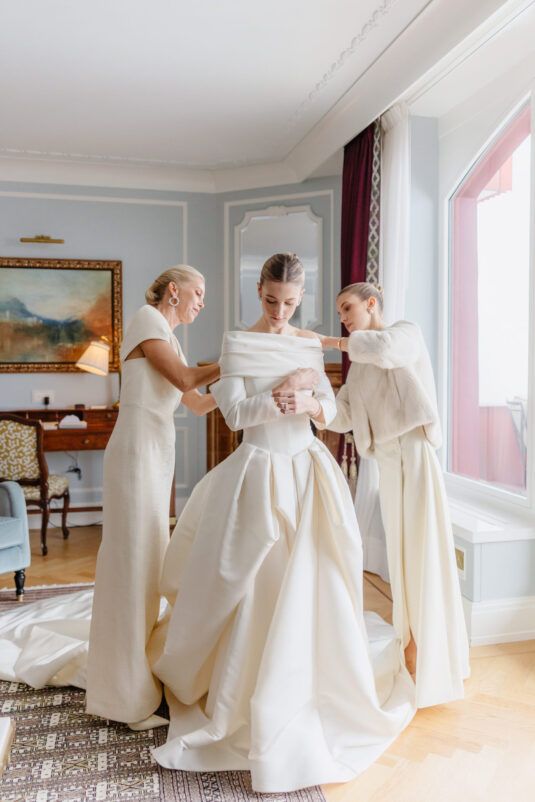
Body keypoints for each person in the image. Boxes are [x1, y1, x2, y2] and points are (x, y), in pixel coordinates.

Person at [150, 254, 415, 792]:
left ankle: (309, 685)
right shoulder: (235, 341)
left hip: (307, 469)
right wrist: (282, 396)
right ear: (258, 290)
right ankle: (239, 689)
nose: (279, 312)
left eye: (289, 303)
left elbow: (332, 411)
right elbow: (235, 416)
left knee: (317, 580)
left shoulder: (307, 342)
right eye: (271, 300)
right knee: (250, 581)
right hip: (259, 470)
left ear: (301, 298)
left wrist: (311, 400)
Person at [317, 281, 470, 708]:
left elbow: (383, 350)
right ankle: (412, 644)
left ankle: (431, 655)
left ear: (371, 303)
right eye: (340, 312)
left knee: (423, 553)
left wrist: (331, 341)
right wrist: (313, 396)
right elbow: (342, 415)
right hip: (385, 461)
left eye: (347, 307)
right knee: (402, 558)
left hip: (415, 453)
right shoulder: (359, 363)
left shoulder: (404, 333)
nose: (344, 317)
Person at [85, 265, 220, 730]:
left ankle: (138, 677)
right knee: (131, 564)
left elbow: (199, 402)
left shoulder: (170, 337)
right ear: (174, 290)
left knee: (147, 565)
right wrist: (237, 359)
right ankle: (121, 695)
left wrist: (243, 384)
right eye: (198, 292)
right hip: (137, 449)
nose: (202, 301)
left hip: (157, 451)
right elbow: (185, 380)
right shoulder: (146, 318)